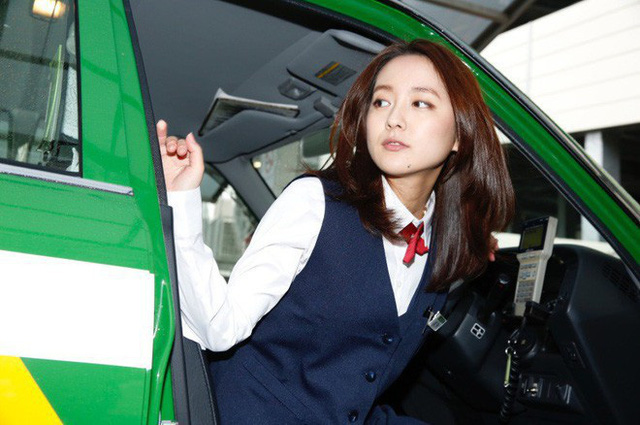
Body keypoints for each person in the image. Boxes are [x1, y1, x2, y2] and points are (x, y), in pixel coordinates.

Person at [158, 39, 514, 424]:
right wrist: (181, 200)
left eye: (420, 103)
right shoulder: (315, 202)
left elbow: (356, 392)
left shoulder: (441, 245)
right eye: (381, 101)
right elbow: (219, 327)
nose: (394, 118)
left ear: (460, 134)